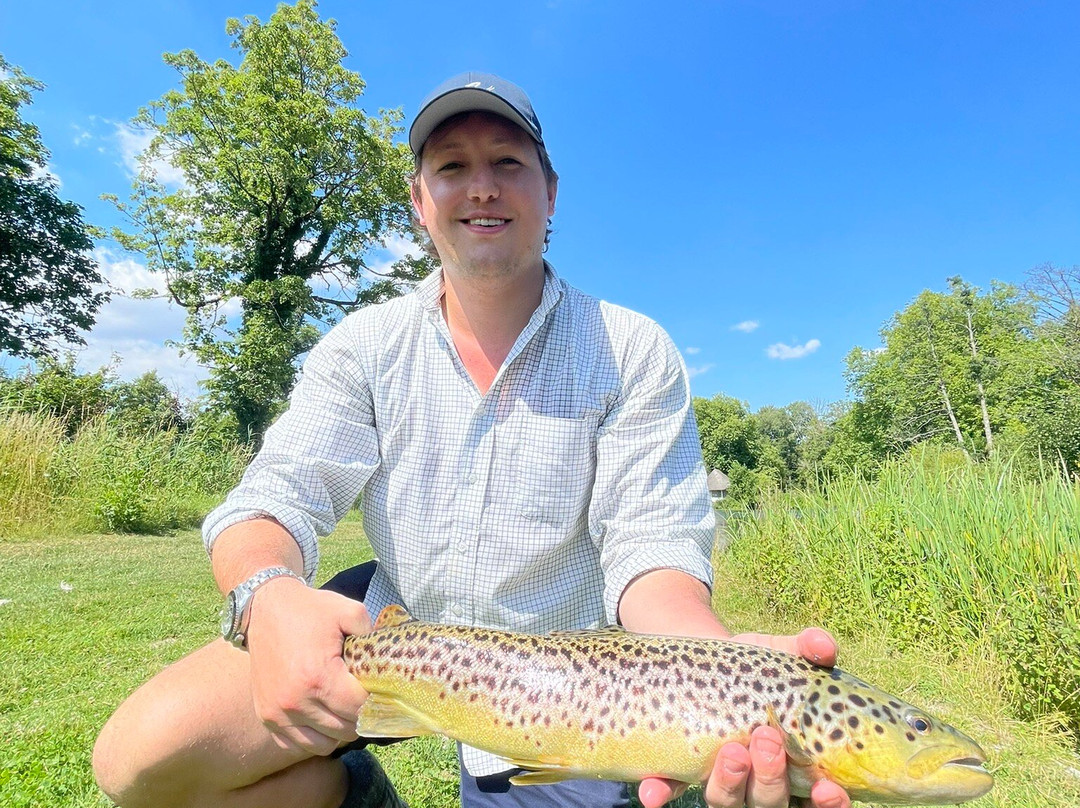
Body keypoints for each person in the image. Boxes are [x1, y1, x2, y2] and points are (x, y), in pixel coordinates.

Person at [92, 72, 851, 808]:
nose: (481, 186)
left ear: (550, 193)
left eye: (508, 163)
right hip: (394, 630)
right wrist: (270, 596)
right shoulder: (364, 344)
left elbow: (653, 549)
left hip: (571, 678)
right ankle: (351, 792)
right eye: (452, 167)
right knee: (139, 761)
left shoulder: (632, 347)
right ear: (420, 202)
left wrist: (723, 675)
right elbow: (273, 497)